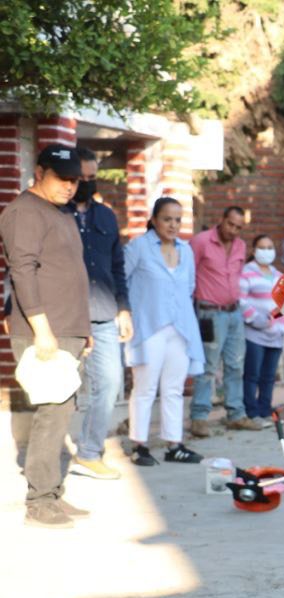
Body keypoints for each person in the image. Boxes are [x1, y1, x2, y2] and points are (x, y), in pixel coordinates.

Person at [0, 144, 91, 528]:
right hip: (45, 330)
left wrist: (83, 331)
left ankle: (52, 491)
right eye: (62, 178)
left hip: (67, 328)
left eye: (75, 180)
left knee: (62, 411)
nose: (70, 186)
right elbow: (22, 271)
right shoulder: (23, 212)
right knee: (51, 413)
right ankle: (39, 502)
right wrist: (42, 330)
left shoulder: (59, 211)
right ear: (40, 173)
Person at [67, 146, 134, 481]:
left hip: (104, 313)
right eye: (82, 177)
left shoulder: (106, 216)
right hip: (64, 316)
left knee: (109, 384)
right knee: (60, 391)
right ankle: (47, 460)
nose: (87, 183)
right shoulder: (56, 214)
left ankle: (89, 453)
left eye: (93, 177)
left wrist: (124, 308)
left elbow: (117, 267)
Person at [124, 198, 205, 467]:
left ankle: (174, 444)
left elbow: (190, 286)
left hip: (180, 327)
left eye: (177, 220)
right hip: (149, 326)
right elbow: (121, 279)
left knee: (174, 388)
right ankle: (139, 445)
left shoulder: (186, 250)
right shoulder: (139, 246)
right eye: (167, 219)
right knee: (145, 388)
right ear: (155, 219)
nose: (173, 225)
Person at [190, 206, 259, 434]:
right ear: (221, 219)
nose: (233, 230)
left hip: (234, 312)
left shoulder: (240, 245)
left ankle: (235, 414)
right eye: (230, 224)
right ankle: (199, 417)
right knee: (208, 366)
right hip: (209, 312)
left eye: (239, 227)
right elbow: (189, 275)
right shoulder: (201, 241)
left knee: (235, 364)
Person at [240, 234, 284, 427]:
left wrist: (282, 325)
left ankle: (265, 410)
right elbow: (241, 301)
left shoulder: (278, 275)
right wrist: (258, 320)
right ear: (254, 250)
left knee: (269, 376)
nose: (266, 251)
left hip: (276, 334)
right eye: (262, 247)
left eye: (270, 247)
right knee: (252, 374)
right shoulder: (246, 273)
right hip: (255, 334)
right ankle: (252, 413)